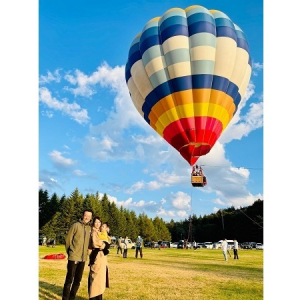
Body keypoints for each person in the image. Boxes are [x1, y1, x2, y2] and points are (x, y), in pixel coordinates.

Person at [62, 209, 93, 300]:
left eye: (89, 216)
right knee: (69, 280)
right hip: (74, 257)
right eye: (86, 215)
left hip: (83, 258)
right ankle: (65, 298)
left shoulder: (89, 228)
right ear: (83, 215)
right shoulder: (75, 225)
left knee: (77, 280)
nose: (87, 217)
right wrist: (71, 252)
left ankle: (72, 298)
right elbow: (68, 240)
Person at [88, 216, 110, 300]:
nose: (98, 224)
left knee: (100, 280)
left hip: (101, 258)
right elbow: (96, 244)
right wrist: (105, 245)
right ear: (93, 223)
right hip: (96, 257)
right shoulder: (94, 232)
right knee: (95, 279)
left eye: (99, 222)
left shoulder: (99, 232)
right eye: (96, 222)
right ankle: (94, 297)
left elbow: (108, 240)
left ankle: (99, 297)